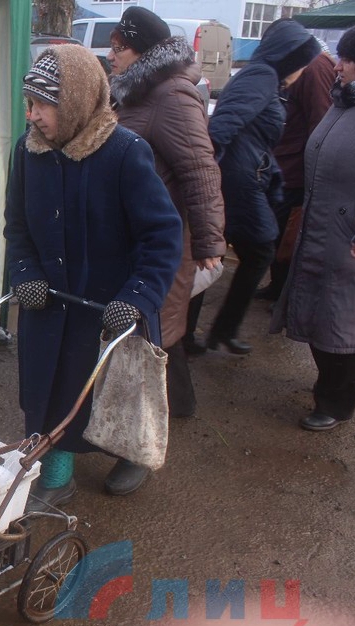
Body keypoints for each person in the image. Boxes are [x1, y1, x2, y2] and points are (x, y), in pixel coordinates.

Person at [5, 45, 183, 506]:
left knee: (121, 393)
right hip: (48, 302)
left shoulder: (125, 153)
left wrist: (138, 298)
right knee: (52, 392)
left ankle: (132, 455)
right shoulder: (26, 154)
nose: (33, 116)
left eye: (43, 105)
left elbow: (162, 236)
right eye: (29, 104)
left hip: (112, 304)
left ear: (78, 102)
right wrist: (24, 272)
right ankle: (57, 475)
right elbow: (17, 226)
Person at [107, 7, 226, 418]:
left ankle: (150, 425)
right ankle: (176, 407)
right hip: (134, 230)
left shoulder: (171, 95)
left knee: (156, 328)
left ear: (141, 51)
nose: (111, 54)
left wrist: (210, 240)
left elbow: (200, 168)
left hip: (165, 233)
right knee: (155, 327)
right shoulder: (132, 91)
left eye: (119, 47)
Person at [270, 18, 355, 432]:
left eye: (347, 59)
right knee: (322, 318)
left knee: (349, 324)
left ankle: (337, 402)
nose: (337, 65)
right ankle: (327, 389)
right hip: (321, 231)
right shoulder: (345, 102)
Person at [206, 19, 320, 355]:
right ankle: (219, 332)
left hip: (242, 177)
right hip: (237, 181)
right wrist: (208, 177)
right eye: (302, 63)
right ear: (289, 58)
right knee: (258, 250)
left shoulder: (268, 80)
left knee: (214, 251)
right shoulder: (262, 77)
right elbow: (221, 127)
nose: (304, 71)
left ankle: (208, 334)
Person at [256, 43, 337, 300]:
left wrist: (314, 171)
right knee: (277, 232)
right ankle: (277, 287)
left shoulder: (314, 68)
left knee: (287, 235)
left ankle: (286, 293)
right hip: (284, 163)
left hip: (297, 169)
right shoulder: (296, 68)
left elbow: (320, 119)